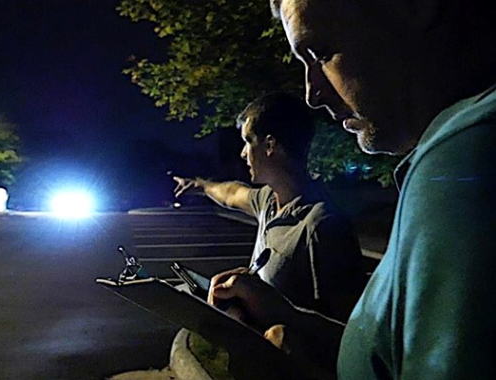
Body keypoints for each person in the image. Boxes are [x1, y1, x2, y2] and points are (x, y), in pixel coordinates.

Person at [209, 0, 496, 377]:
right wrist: (285, 317)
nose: (313, 92)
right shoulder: (452, 155)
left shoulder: (463, 158)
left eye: (321, 52)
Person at [173, 93, 367, 321]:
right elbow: (231, 193)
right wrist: (200, 185)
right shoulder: (267, 200)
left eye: (248, 141)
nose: (243, 153)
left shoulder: (322, 226)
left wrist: (286, 320)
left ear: (270, 145)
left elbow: (350, 327)